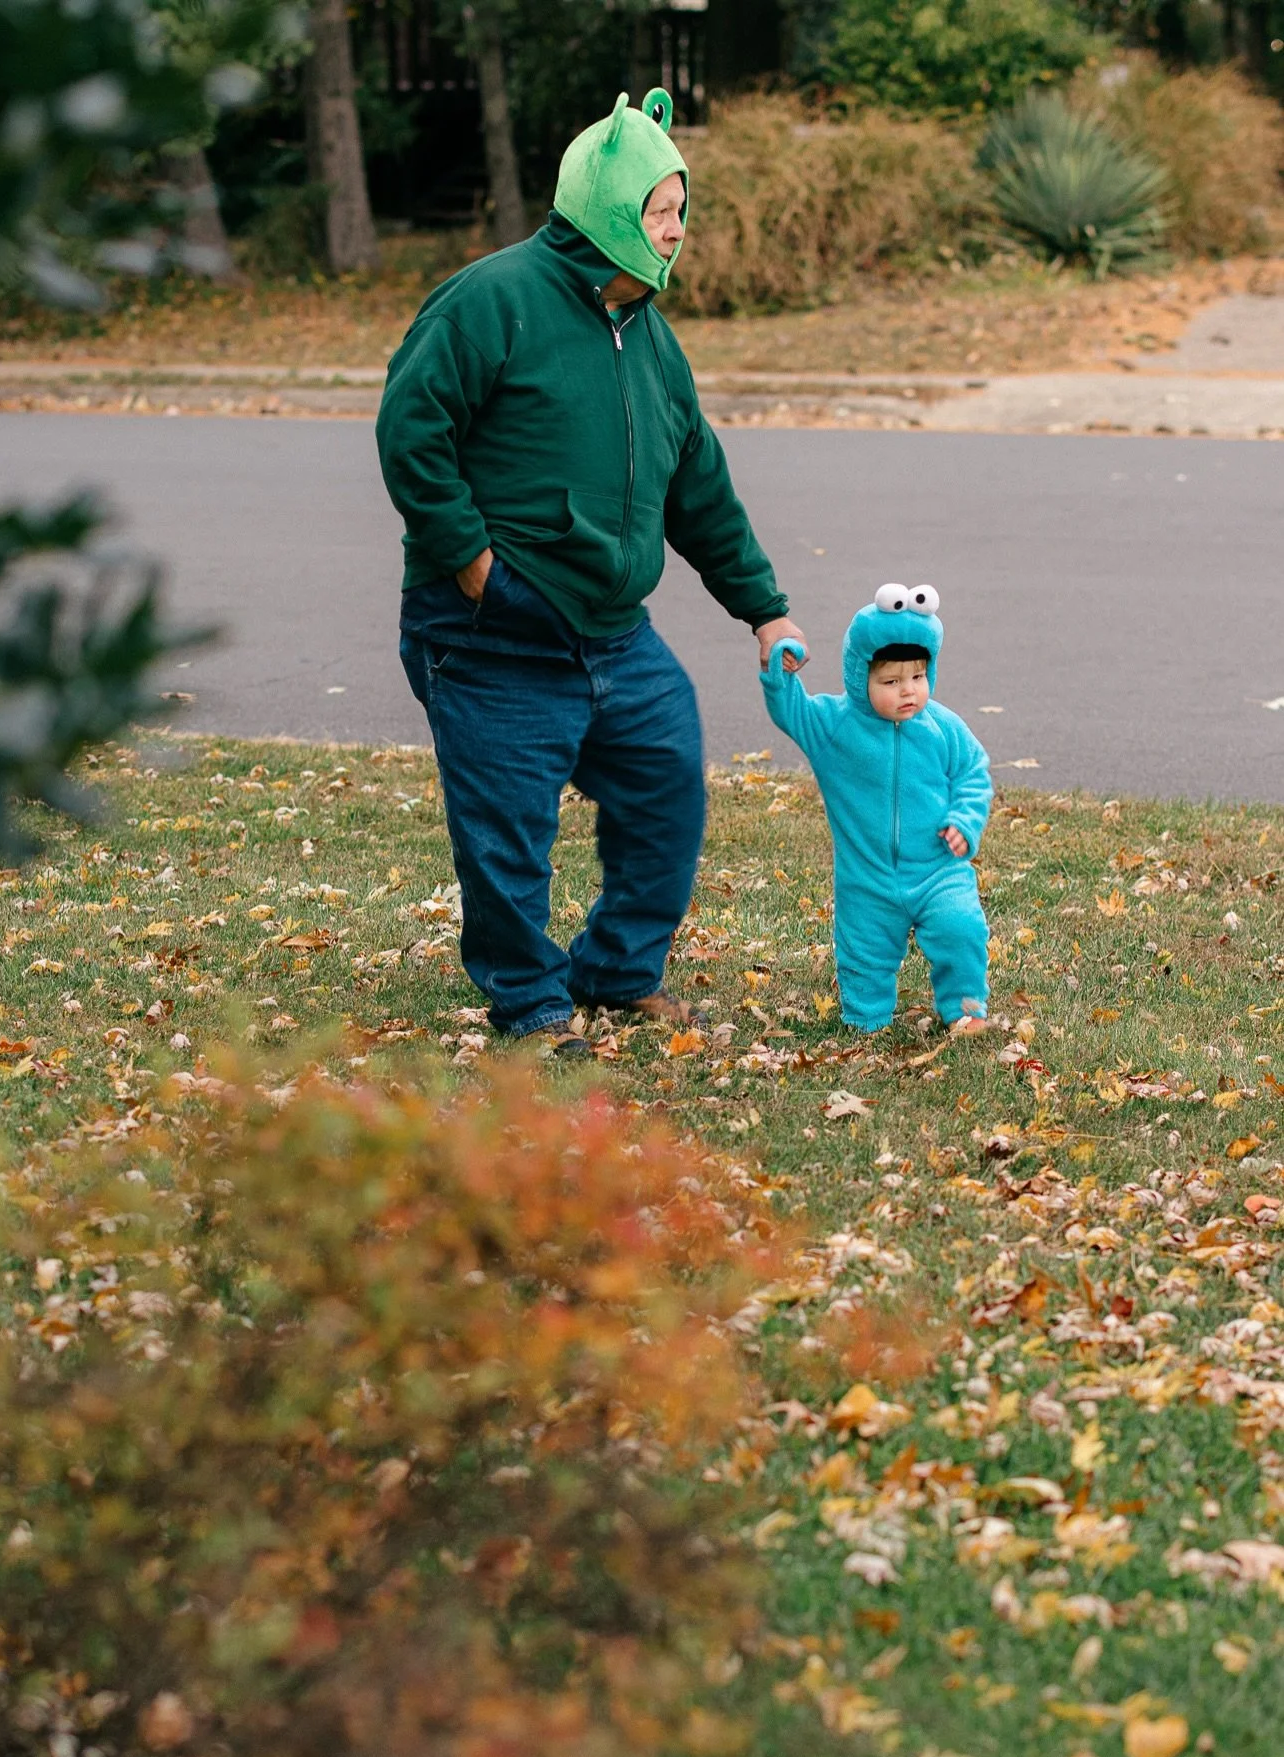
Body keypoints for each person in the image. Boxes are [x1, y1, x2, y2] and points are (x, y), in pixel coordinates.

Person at [377, 88, 807, 1058]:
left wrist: (764, 610)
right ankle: (528, 1006)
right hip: (489, 633)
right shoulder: (493, 298)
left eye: (680, 209)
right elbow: (413, 430)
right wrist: (475, 565)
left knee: (665, 789)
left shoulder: (649, 336)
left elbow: (698, 485)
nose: (675, 229)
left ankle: (616, 974)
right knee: (508, 837)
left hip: (614, 632)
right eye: (658, 209)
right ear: (607, 209)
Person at [760, 583, 992, 1034]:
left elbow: (973, 773)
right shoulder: (835, 726)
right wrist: (780, 672)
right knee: (863, 952)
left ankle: (965, 1011)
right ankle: (865, 1020)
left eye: (918, 677)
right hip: (866, 878)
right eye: (891, 681)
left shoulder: (943, 727)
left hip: (938, 870)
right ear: (860, 675)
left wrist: (966, 819)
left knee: (961, 929)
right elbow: (792, 711)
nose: (908, 691)